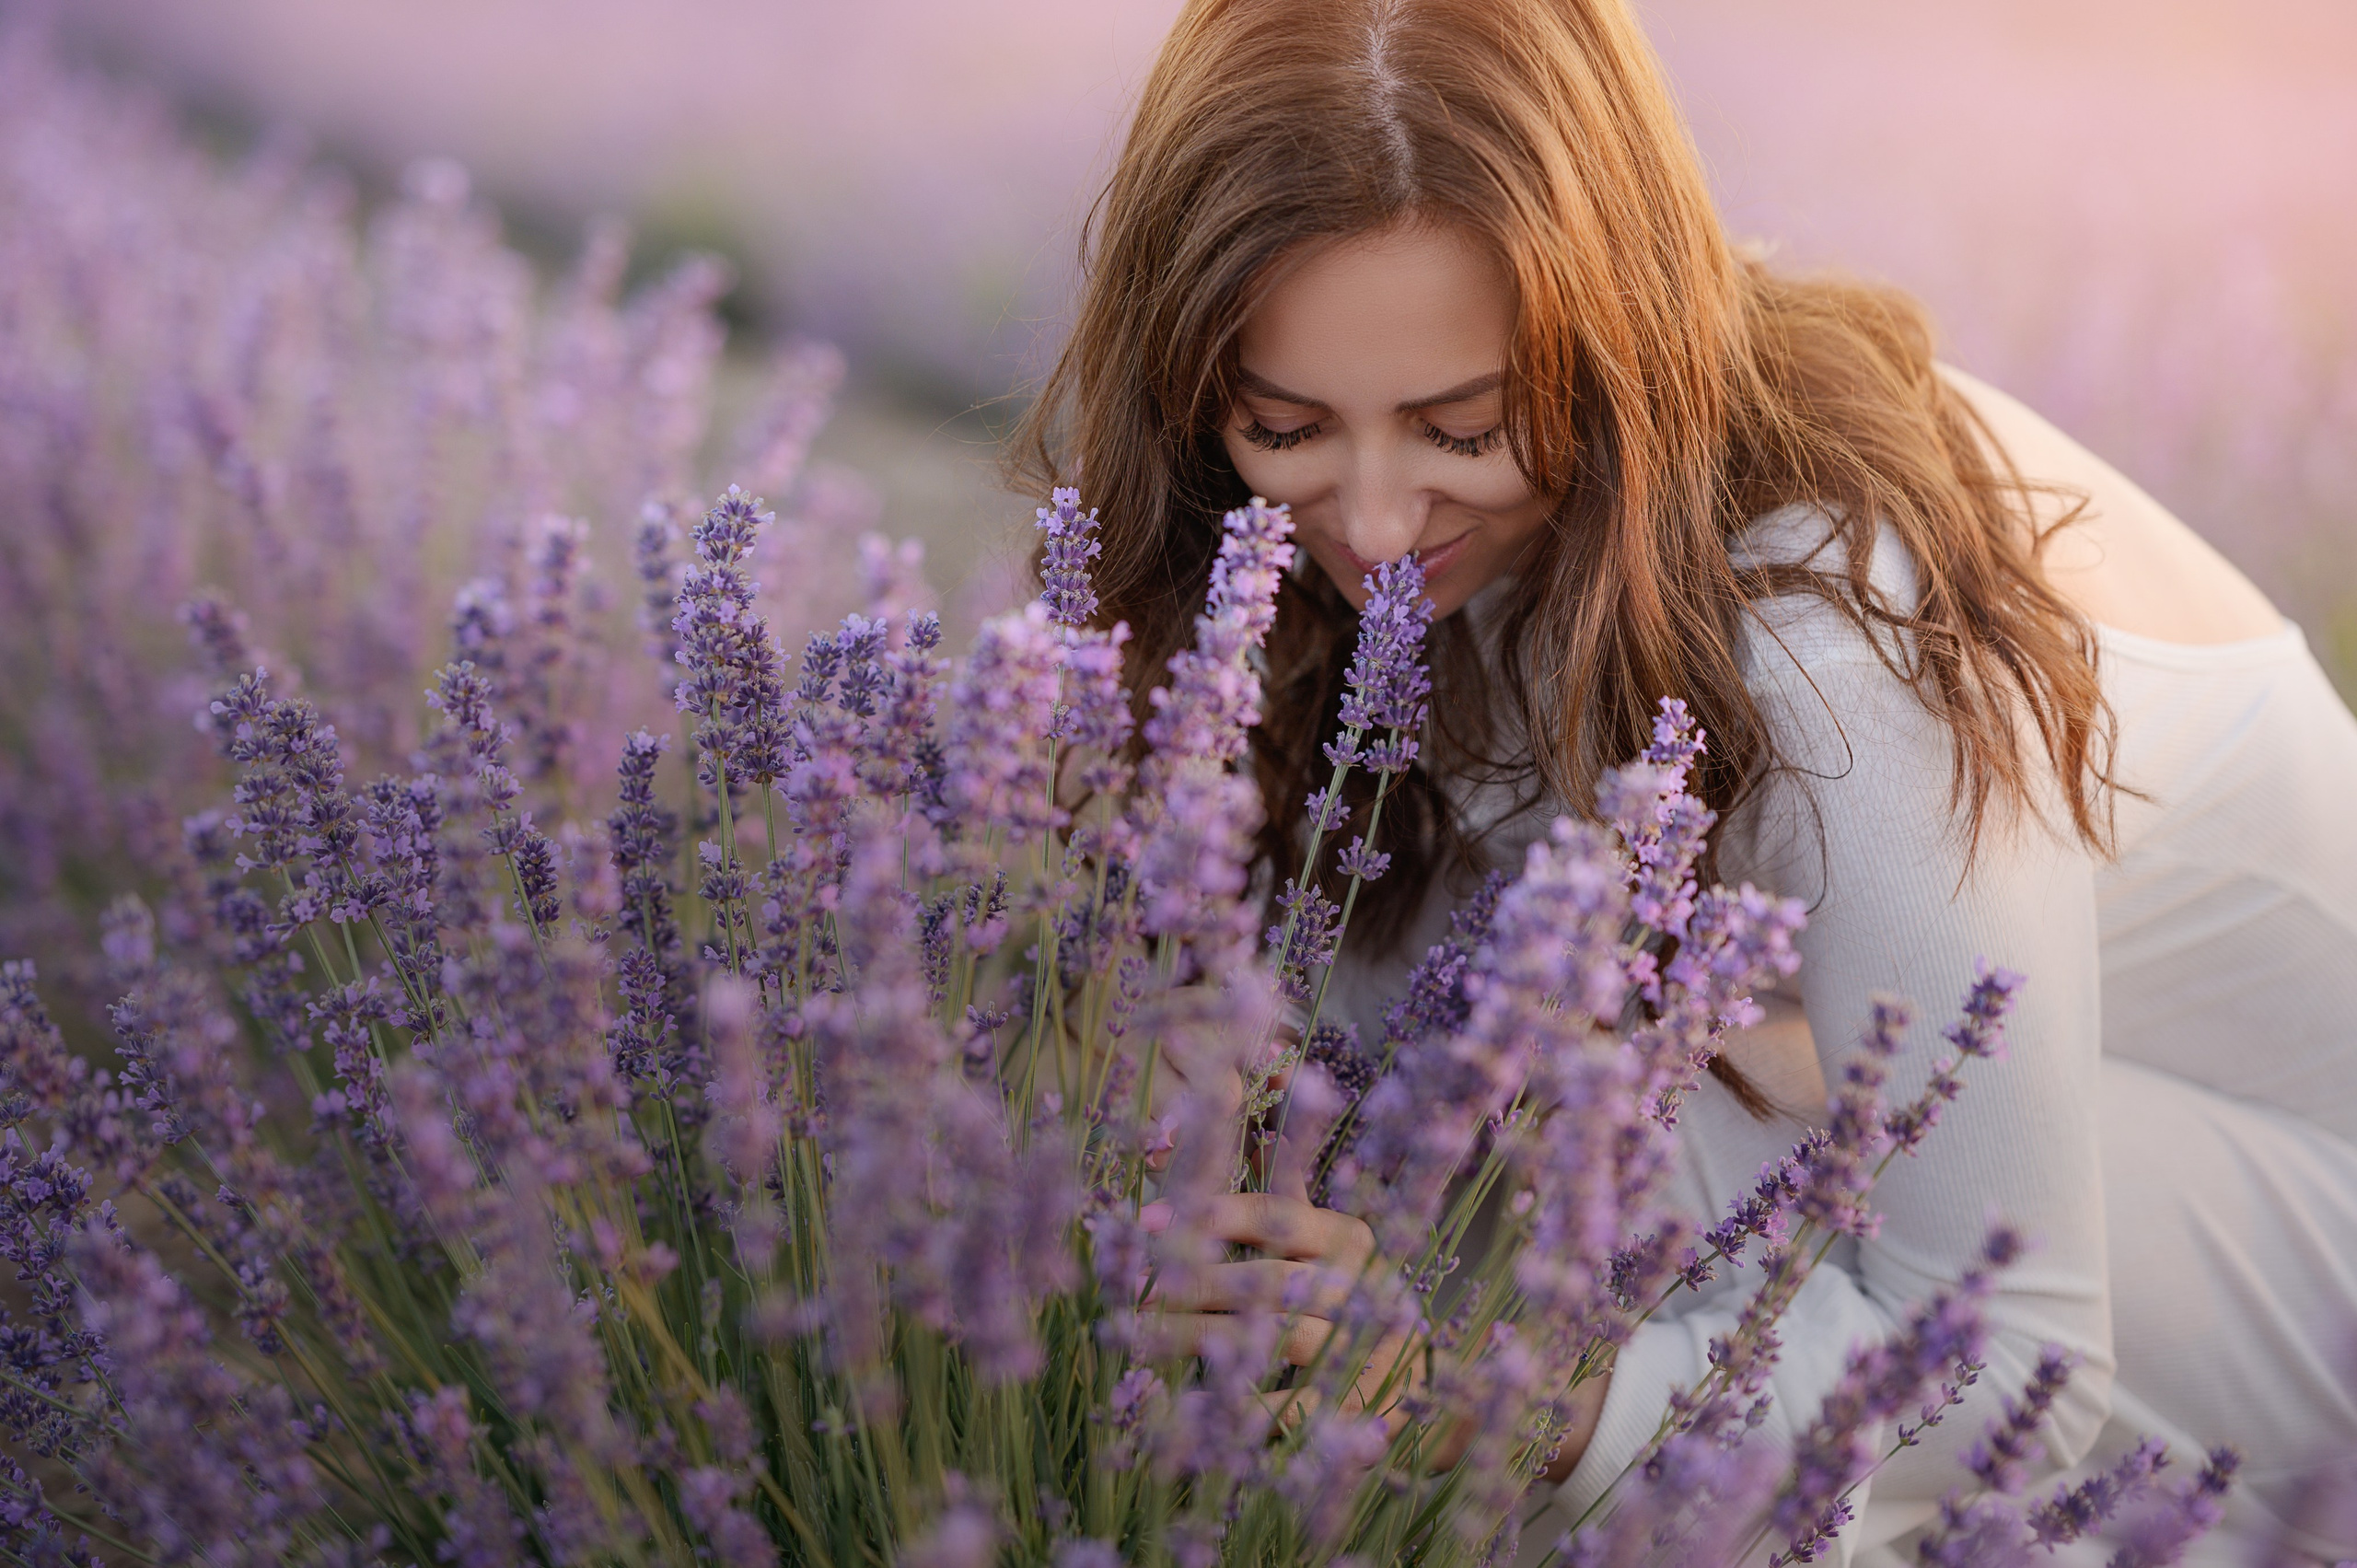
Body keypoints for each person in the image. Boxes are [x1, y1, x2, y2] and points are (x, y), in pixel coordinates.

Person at [1016, 0, 2357, 1560]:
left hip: (2304, 1252)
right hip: (2112, 1137)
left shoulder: (1833, 639)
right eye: (1286, 425)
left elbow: (2007, 1358)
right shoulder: (1483, 520)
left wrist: (1481, 1402)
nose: (1371, 525)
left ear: (1609, 337)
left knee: (1609, 1147)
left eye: (1462, 427)